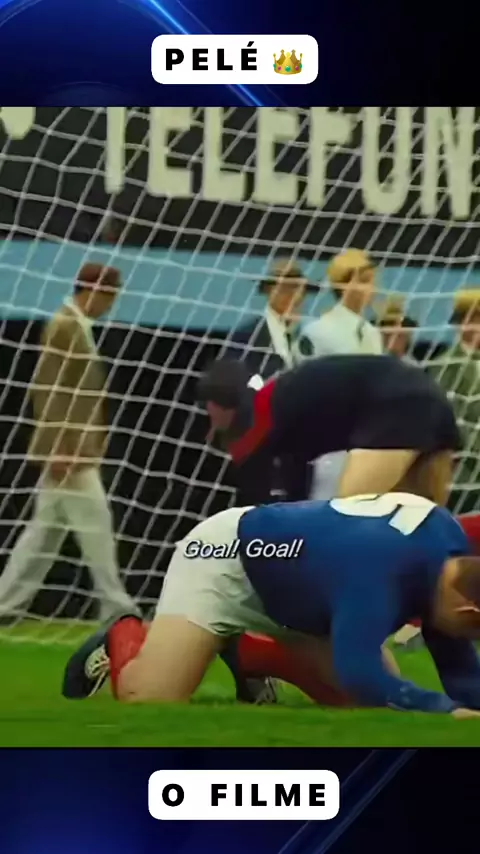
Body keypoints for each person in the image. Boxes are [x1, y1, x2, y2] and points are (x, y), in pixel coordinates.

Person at [63, 492, 480, 717]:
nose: (466, 641)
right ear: (468, 612)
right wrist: (442, 710)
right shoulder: (380, 572)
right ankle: (124, 633)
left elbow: (459, 669)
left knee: (361, 705)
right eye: (473, 632)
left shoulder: (449, 555)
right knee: (150, 697)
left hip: (300, 589)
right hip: (225, 559)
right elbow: (361, 671)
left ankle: (252, 651)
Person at [0, 263, 138, 621]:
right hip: (70, 451)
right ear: (93, 291)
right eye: (110, 296)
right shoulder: (64, 326)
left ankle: (5, 603)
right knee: (97, 525)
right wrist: (59, 448)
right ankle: (117, 606)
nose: (111, 305)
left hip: (74, 449)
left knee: (42, 535)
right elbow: (48, 389)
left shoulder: (76, 326)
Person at [196, 353, 460, 506]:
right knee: (420, 523)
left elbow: (257, 485)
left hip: (398, 405)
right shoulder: (286, 399)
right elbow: (294, 476)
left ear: (214, 406)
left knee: (349, 516)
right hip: (429, 400)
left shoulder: (265, 411)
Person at [295, 248, 383, 501]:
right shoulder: (318, 331)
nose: (370, 289)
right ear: (343, 284)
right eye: (363, 281)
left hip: (368, 443)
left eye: (371, 281)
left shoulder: (372, 334)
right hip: (329, 443)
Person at [428, 289, 480, 515]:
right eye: (476, 319)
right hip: (464, 476)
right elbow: (454, 421)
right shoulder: (445, 365)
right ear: (461, 323)